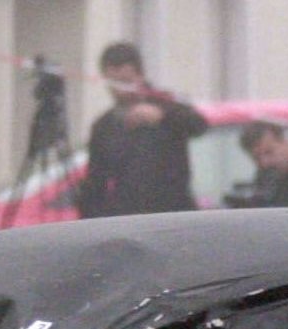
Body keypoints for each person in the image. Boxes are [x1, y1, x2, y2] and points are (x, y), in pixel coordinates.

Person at [74, 42, 205, 219]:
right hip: (128, 216)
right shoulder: (104, 126)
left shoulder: (166, 103)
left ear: (140, 76)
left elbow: (199, 125)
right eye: (113, 83)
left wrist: (163, 116)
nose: (120, 90)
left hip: (173, 213)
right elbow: (96, 181)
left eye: (126, 82)